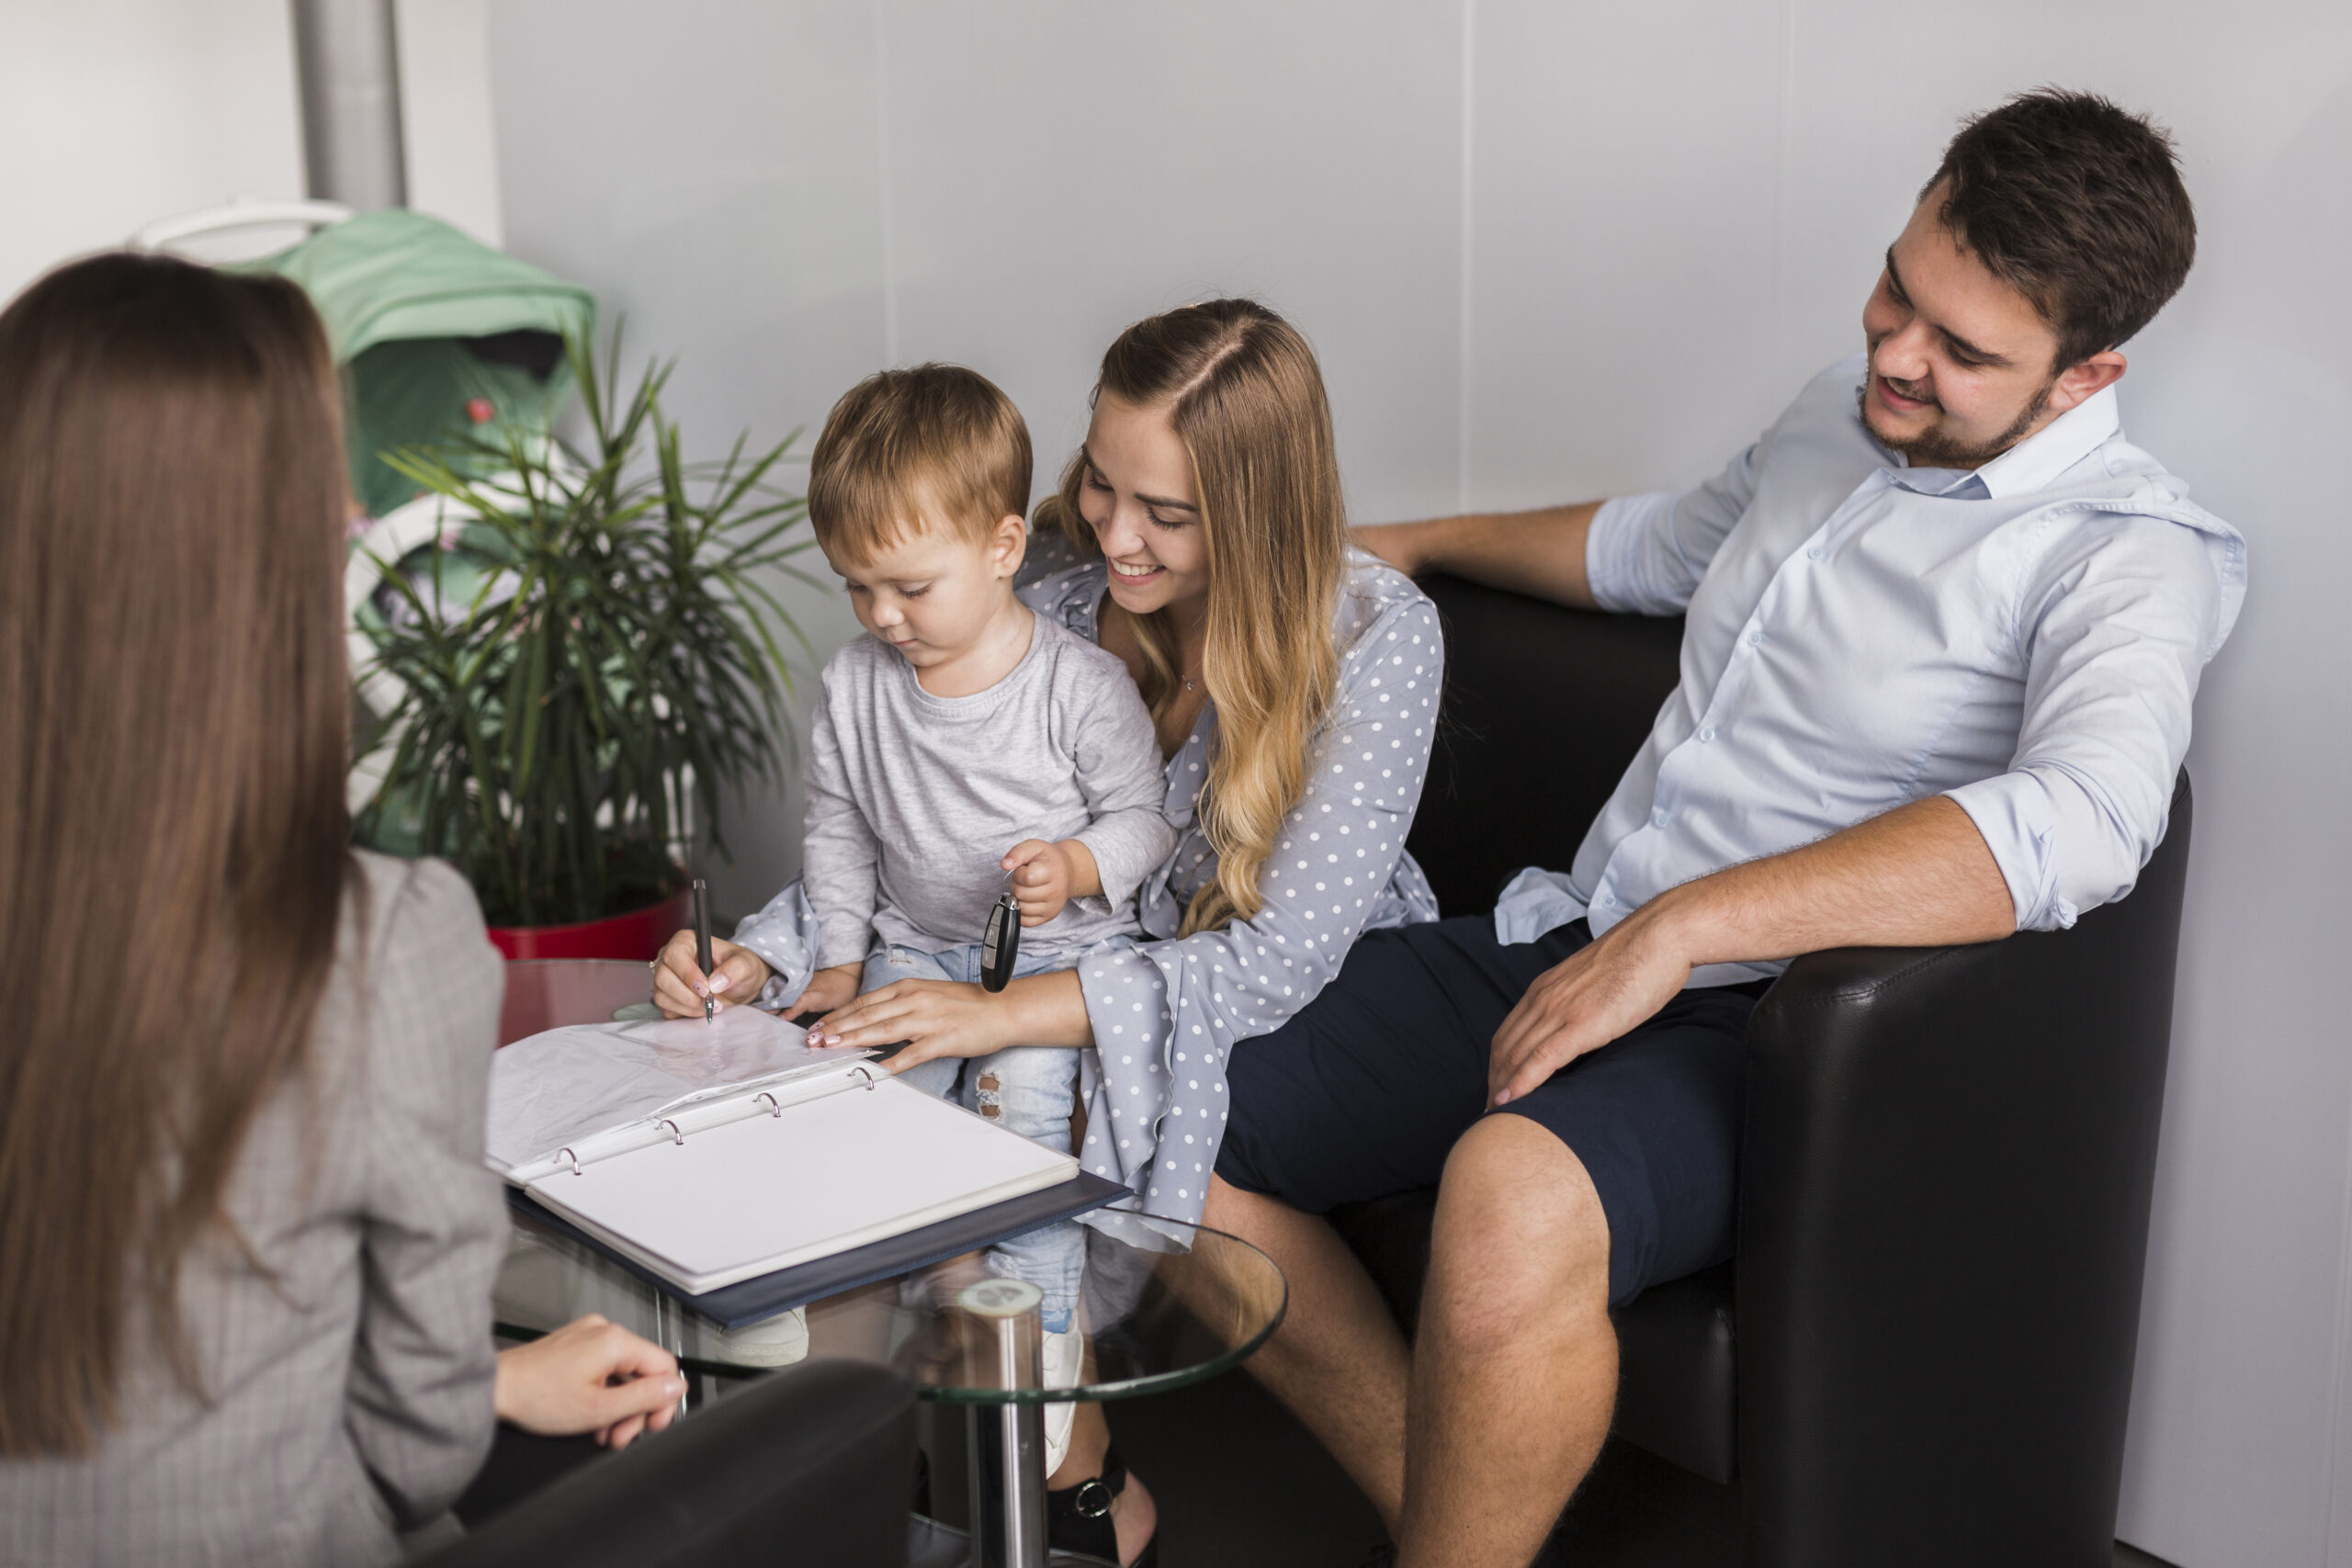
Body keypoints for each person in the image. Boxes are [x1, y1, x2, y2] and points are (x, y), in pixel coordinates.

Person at [1195, 89, 2247, 1568]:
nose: (1895, 351)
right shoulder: (1840, 411)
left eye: (1961, 350)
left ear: (2087, 374)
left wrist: (1689, 926)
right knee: (1153, 1092)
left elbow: (2091, 819)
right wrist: (1415, 542)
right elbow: (1655, 549)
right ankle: (1446, 1524)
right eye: (1898, 288)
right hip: (1566, 928)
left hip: (1775, 1035)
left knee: (1505, 1193)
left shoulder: (2131, 558)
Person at [655, 299, 1445, 1568]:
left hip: (1320, 984)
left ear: (1255, 509)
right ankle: (1049, 1478)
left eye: (1167, 514)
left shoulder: (1379, 636)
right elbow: (930, 860)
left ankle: (1447, 1523)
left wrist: (1005, 1013)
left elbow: (1277, 959)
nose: (1115, 536)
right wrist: (774, 953)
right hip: (1081, 966)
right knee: (931, 1113)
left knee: (1141, 1116)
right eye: (1100, 484)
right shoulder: (1063, 609)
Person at [0, 253, 687, 1568]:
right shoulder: (375, 939)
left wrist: (486, 1381)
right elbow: (412, 1445)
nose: (358, 511)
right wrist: (466, 1386)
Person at [660, 364, 1174, 1466]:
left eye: (907, 587)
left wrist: (1080, 865)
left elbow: (1148, 825)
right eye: (856, 588)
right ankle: (846, 1382)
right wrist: (838, 964)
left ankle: (1031, 1372)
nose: (882, 616)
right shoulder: (857, 685)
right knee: (852, 1122)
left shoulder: (1078, 688)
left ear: (1000, 550)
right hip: (903, 954)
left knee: (1021, 1150)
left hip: (1039, 976)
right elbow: (838, 832)